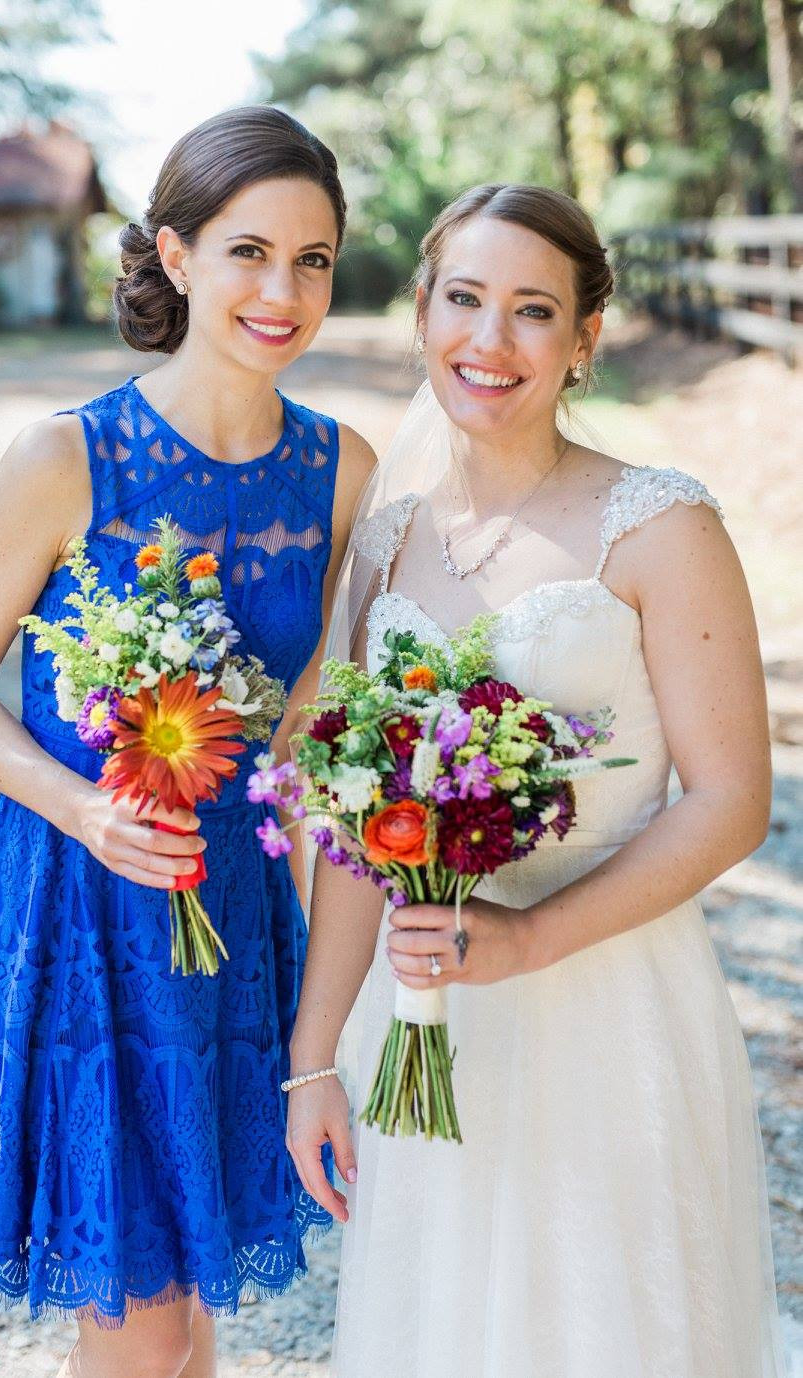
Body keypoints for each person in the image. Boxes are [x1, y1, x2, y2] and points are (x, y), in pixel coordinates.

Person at [287, 183, 787, 1377]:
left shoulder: (660, 524)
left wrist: (525, 942)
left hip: (608, 1000)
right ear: (420, 314)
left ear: (583, 340)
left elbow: (730, 802)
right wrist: (314, 1056)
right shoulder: (384, 538)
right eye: (464, 299)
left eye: (531, 310)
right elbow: (365, 819)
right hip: (424, 1016)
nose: (489, 340)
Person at [0, 105, 375, 1378]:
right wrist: (83, 809)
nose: (282, 291)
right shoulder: (66, 456)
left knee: (193, 1285)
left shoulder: (344, 474)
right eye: (247, 251)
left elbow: (306, 738)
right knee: (142, 1302)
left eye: (314, 259)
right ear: (174, 255)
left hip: (236, 908)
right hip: (84, 900)